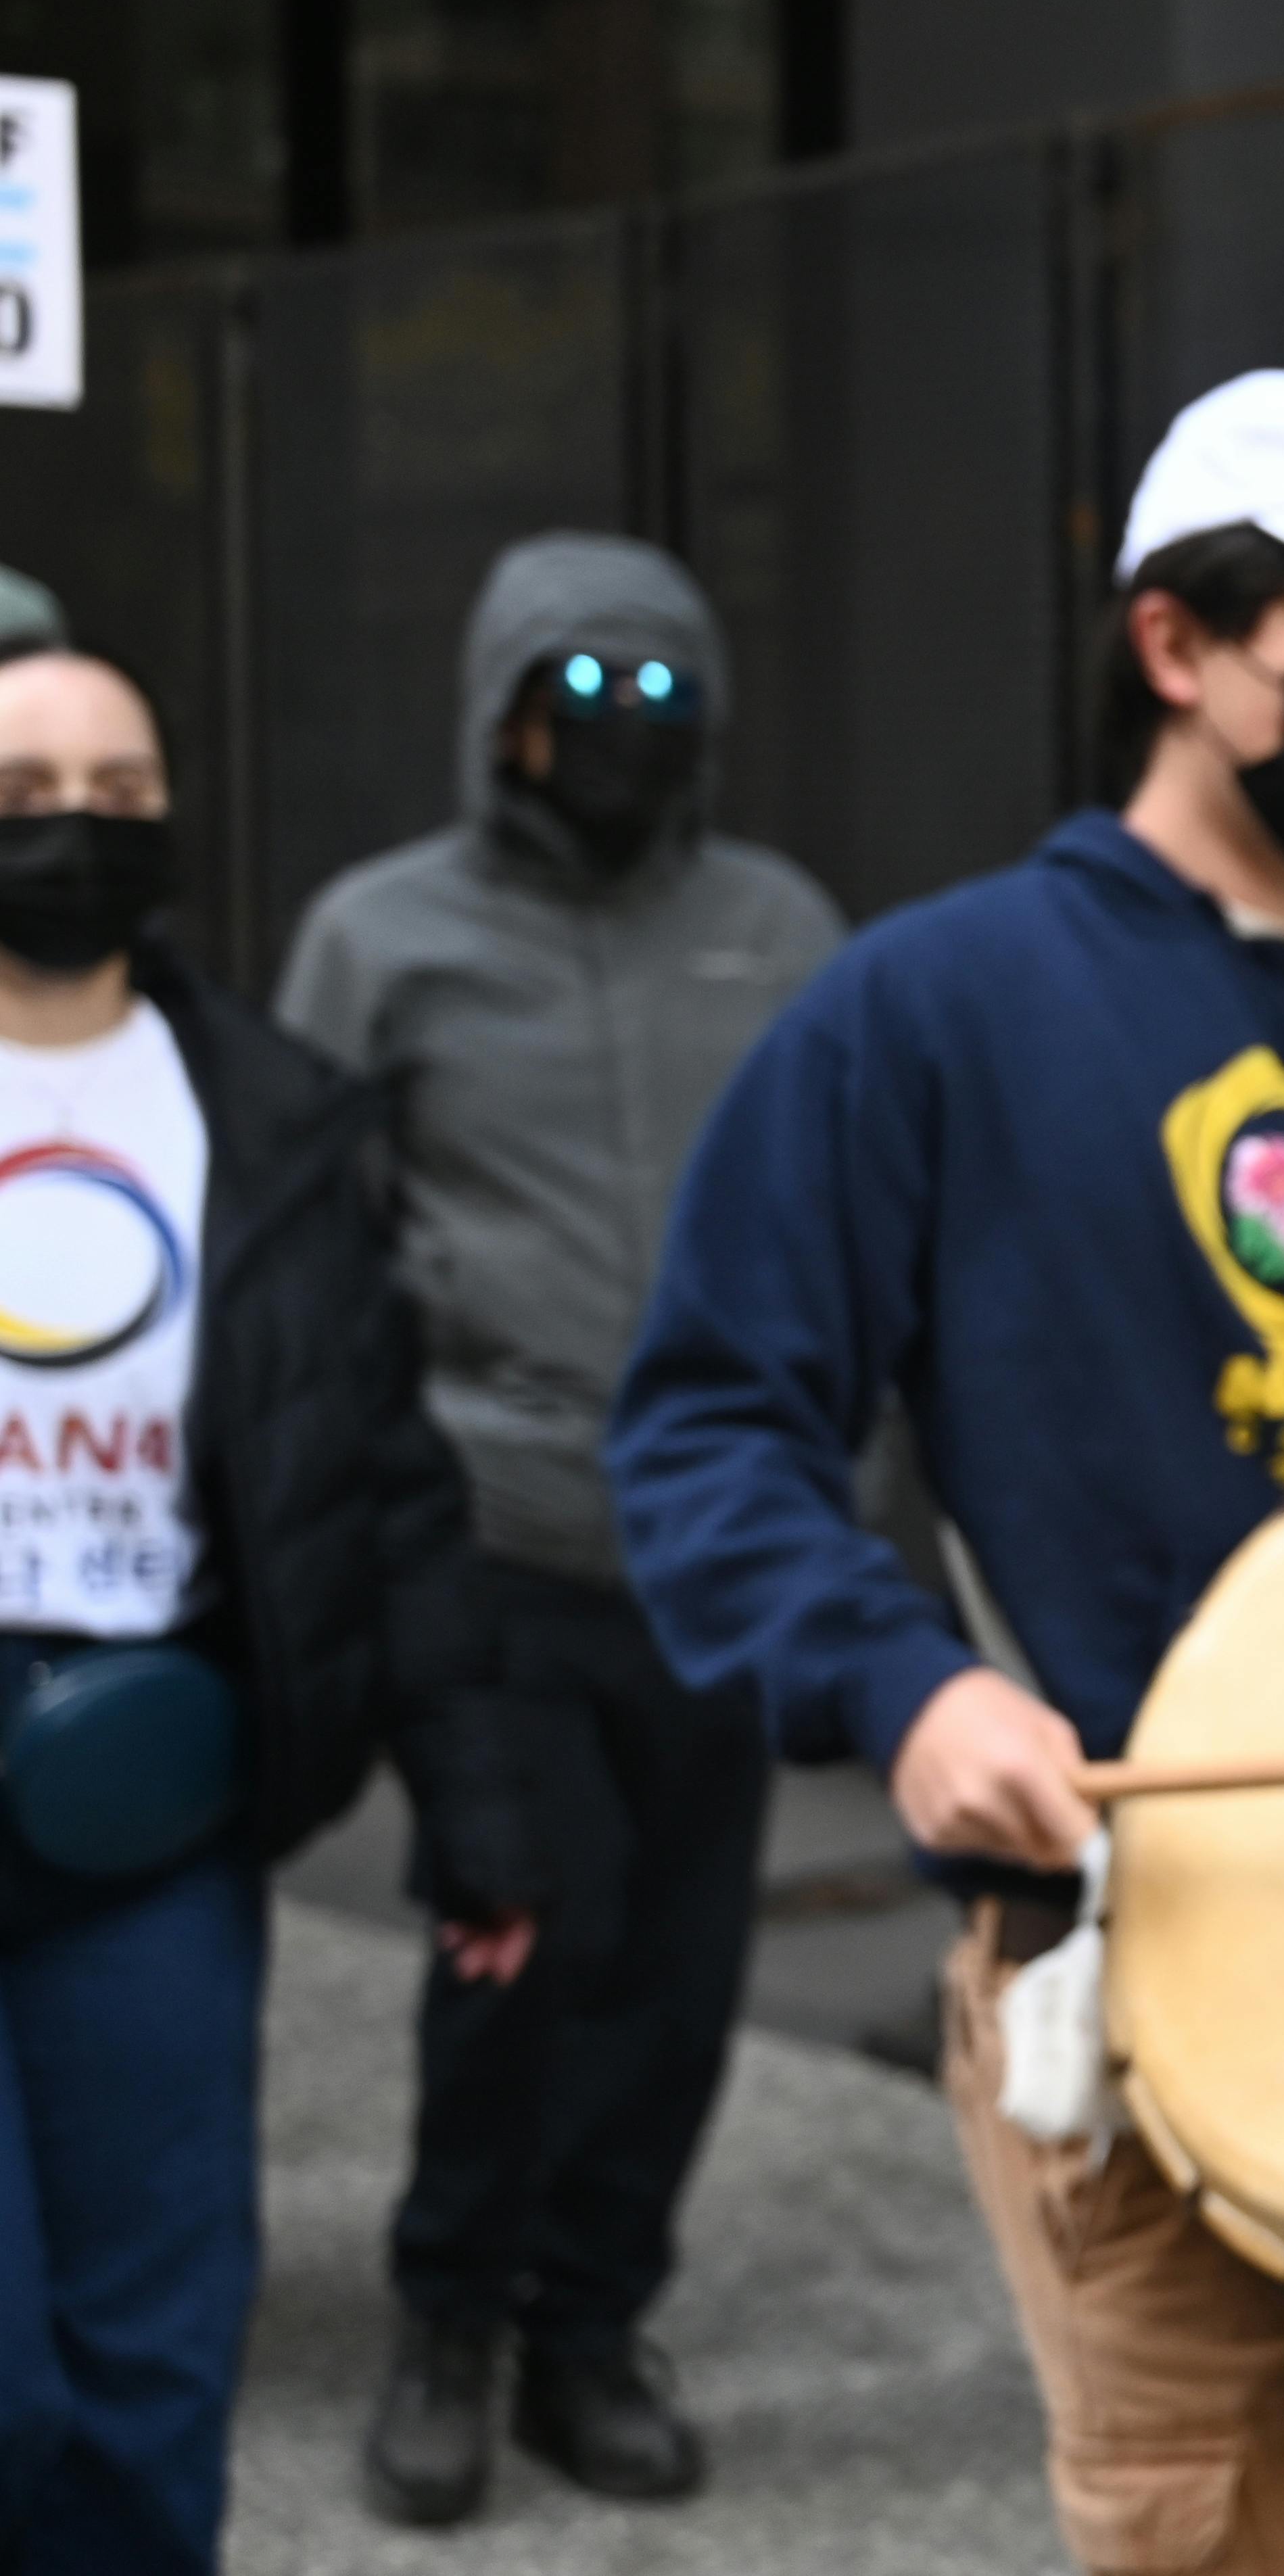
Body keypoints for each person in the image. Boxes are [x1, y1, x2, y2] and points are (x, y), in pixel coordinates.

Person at [608, 367, 1284, 2576]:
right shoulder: (932, 1005)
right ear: (1173, 646)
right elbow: (709, 1425)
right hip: (1155, 1943)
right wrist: (907, 1689)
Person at [277, 533, 842, 2524]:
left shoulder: (776, 923)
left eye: (656, 693)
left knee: (680, 1973)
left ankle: (589, 2327)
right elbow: (314, 1247)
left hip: (718, 1550)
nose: (616, 731)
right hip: (490, 1545)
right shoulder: (380, 933)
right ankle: (449, 2315)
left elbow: (845, 1205)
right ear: (498, 706)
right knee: (524, 1940)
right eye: (575, 691)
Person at [0, 642, 541, 2573]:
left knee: (150, 2375)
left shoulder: (272, 1110)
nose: (73, 821)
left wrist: (476, 1818)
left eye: (119, 784)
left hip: (148, 1810)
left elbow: (377, 1481)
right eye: (29, 778)